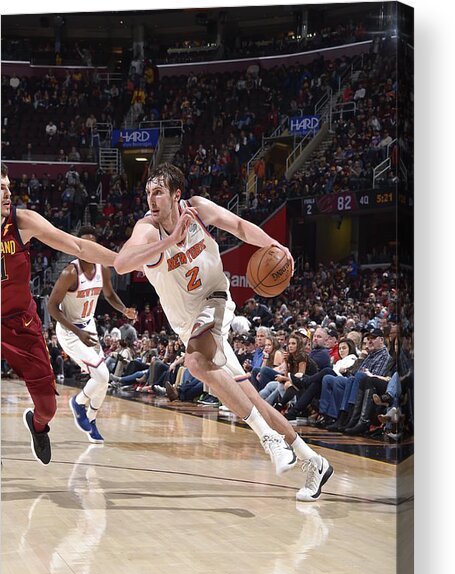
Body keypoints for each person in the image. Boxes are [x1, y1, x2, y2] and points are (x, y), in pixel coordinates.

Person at [114, 162, 333, 501]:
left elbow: (240, 226)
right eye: (148, 192)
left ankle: (267, 438)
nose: (151, 199)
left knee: (196, 363)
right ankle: (314, 461)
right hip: (188, 324)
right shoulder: (148, 230)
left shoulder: (198, 209)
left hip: (215, 300)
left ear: (176, 195)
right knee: (252, 398)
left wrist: (275, 244)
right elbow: (121, 263)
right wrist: (171, 240)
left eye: (158, 192)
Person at [1, 164, 116, 465]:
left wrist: (122, 260)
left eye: (8, 186)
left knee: (48, 407)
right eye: (0, 188)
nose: (7, 193)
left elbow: (77, 245)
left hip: (19, 322)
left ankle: (38, 427)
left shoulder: (21, 221)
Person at [48, 225, 137, 443]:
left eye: (93, 244)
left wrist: (124, 309)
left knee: (102, 380)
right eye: (84, 245)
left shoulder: (102, 268)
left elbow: (109, 293)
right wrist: (77, 332)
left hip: (89, 327)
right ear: (78, 248)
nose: (89, 249)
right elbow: (51, 307)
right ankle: (78, 402)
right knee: (102, 375)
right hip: (70, 331)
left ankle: (92, 418)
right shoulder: (70, 273)